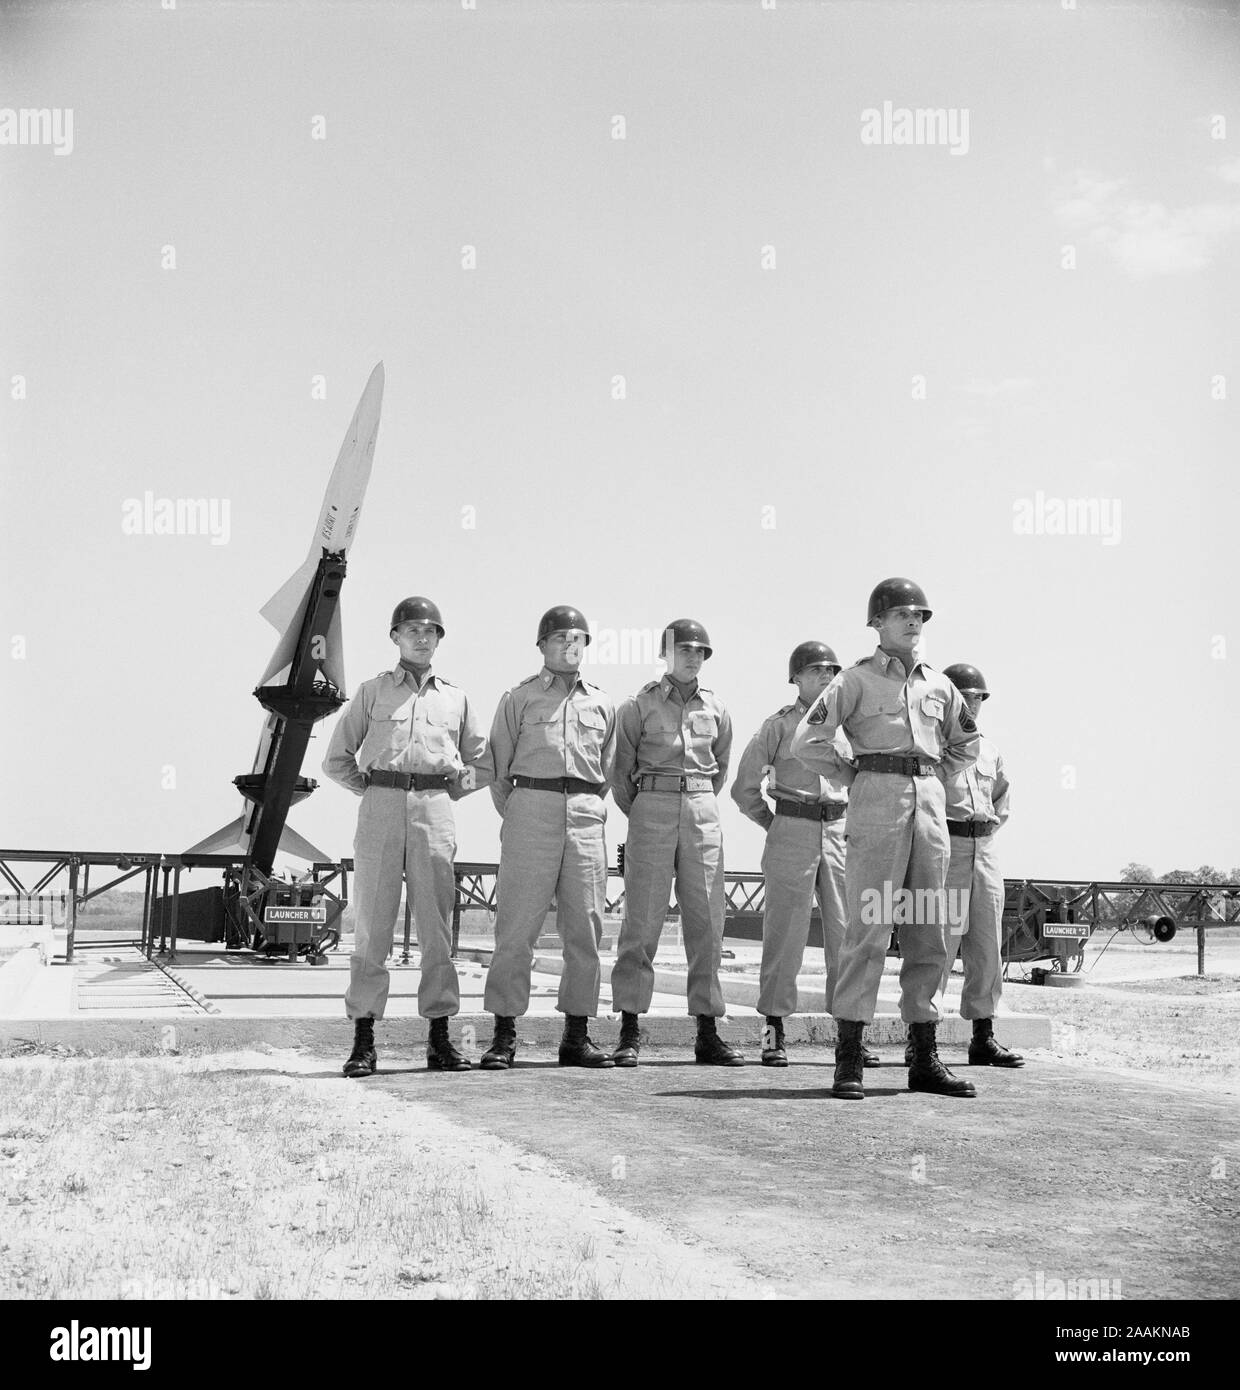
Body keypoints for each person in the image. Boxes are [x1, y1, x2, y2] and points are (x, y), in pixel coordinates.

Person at [790, 578, 980, 1100]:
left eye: (920, 615)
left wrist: (933, 776)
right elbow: (809, 740)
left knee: (930, 931)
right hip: (877, 804)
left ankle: (924, 1058)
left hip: (931, 812)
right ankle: (849, 1057)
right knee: (869, 929)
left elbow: (967, 744)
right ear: (877, 623)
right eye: (901, 614)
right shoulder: (854, 680)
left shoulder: (940, 686)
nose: (913, 621)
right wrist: (855, 776)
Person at [324, 596, 490, 1078]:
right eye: (412, 629)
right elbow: (336, 759)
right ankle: (364, 1040)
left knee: (436, 926)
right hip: (381, 805)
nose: (421, 637)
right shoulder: (372, 692)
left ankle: (439, 1038)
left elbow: (482, 763)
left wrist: (448, 792)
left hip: (434, 809)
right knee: (372, 924)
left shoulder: (456, 699)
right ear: (395, 637)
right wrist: (376, 789)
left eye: (430, 630)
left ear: (439, 639)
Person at [480, 605, 617, 1070]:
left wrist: (579, 804)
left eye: (578, 639)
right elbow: (498, 771)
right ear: (541, 645)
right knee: (516, 928)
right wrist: (525, 810)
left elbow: (608, 771)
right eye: (560, 638)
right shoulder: (518, 698)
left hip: (585, 815)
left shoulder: (602, 704)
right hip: (530, 810)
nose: (569, 645)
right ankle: (503, 1035)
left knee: (586, 928)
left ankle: (576, 1036)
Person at [731, 642, 877, 1067]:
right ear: (795, 678)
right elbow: (744, 788)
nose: (825, 677)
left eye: (831, 671)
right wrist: (774, 824)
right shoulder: (778, 726)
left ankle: (850, 1037)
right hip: (791, 829)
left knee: (848, 936)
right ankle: (772, 1034)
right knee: (784, 936)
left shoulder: (849, 727)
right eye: (815, 671)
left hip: (840, 832)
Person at [609, 620, 742, 1067]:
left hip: (702, 808)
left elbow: (720, 768)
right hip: (651, 804)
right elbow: (620, 772)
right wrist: (648, 807)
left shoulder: (718, 709)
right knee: (642, 919)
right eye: (684, 649)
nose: (693, 657)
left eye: (700, 651)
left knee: (707, 921)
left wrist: (694, 799)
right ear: (665, 654)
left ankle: (707, 1031)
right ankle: (629, 1029)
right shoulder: (637, 705)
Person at [936, 662, 1023, 1068]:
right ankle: (922, 1039)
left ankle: (982, 1037)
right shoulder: (933, 748)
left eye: (977, 698)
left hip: (984, 849)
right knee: (937, 945)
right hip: (946, 848)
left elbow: (1002, 800)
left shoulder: (989, 750)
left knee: (987, 946)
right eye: (965, 697)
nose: (972, 704)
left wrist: (981, 833)